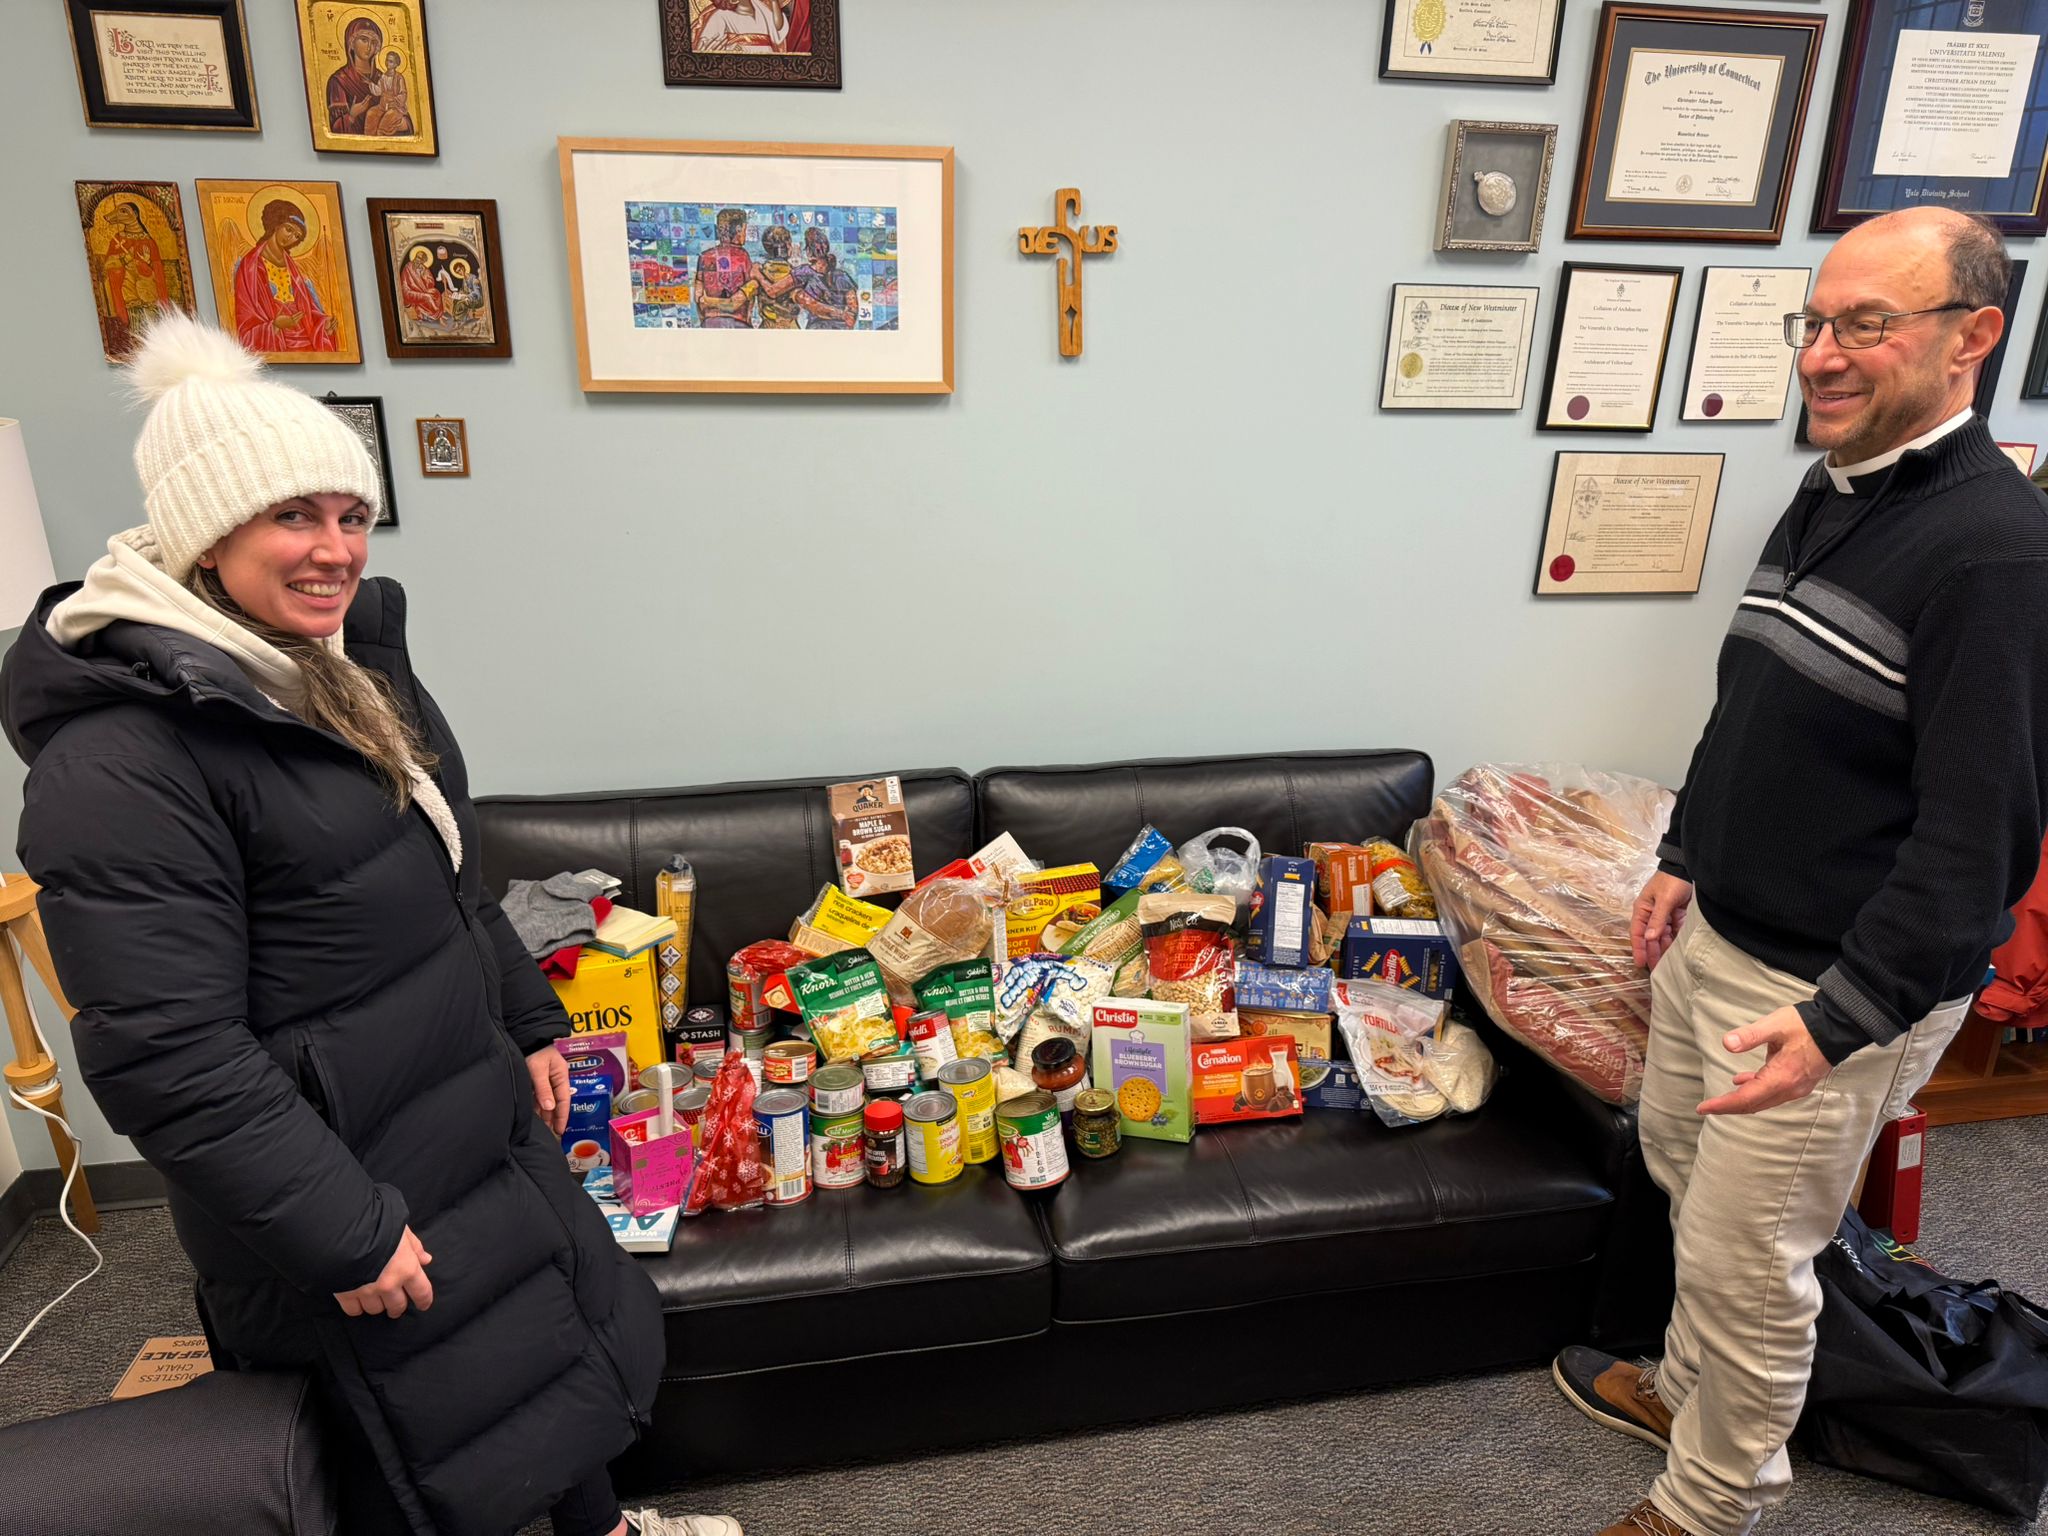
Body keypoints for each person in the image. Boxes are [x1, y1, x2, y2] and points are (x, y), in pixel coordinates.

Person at [0, 314, 741, 1536]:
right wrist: (341, 1230)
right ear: (204, 535)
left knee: (543, 1373)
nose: (334, 549)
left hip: (458, 1122)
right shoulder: (120, 759)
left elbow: (442, 872)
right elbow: (165, 1055)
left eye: (351, 515)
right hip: (343, 1180)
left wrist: (528, 1020)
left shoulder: (332, 671)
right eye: (294, 516)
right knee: (417, 1458)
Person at [1551, 205, 2048, 1536]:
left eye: (1864, 325)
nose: (1821, 356)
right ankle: (1688, 1390)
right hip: (1722, 927)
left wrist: (1835, 1027)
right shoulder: (1834, 483)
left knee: (1745, 1260)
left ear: (1971, 338)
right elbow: (1749, 699)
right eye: (1814, 324)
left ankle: (1713, 1502)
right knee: (1676, 1170)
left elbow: (1977, 842)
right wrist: (1684, 855)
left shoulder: (1997, 554)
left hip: (1823, 987)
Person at [230, 200, 338, 354]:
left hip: (303, 337)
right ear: (276, 224)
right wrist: (274, 326)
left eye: (297, 236)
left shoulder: (292, 268)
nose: (291, 238)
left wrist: (323, 323)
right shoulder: (250, 267)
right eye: (289, 229)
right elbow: (246, 319)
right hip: (275, 339)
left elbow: (307, 308)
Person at [327, 16, 391, 137]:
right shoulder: (340, 80)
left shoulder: (383, 77)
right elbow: (334, 131)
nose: (369, 47)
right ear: (351, 43)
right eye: (364, 40)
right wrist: (351, 115)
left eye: (373, 42)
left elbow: (404, 117)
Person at [693, 208, 754, 329]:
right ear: (738, 231)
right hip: (738, 322)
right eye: (744, 230)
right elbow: (750, 296)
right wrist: (748, 320)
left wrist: (704, 318)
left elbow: (698, 296)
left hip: (710, 321)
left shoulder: (705, 257)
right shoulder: (743, 256)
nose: (745, 235)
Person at [794, 224, 858, 330]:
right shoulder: (843, 276)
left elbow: (811, 304)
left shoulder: (804, 274)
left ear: (809, 251)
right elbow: (852, 312)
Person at [742, 225, 801, 328]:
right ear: (787, 246)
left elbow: (745, 303)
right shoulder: (795, 274)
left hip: (767, 328)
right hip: (791, 329)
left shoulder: (759, 272)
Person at [398, 244, 443, 327]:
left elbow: (431, 283)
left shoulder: (424, 268)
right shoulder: (408, 267)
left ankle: (430, 316)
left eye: (420, 258)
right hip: (410, 291)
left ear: (423, 261)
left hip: (422, 290)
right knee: (427, 297)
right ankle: (437, 314)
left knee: (436, 292)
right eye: (417, 257)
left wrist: (423, 276)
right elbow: (405, 283)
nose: (417, 259)